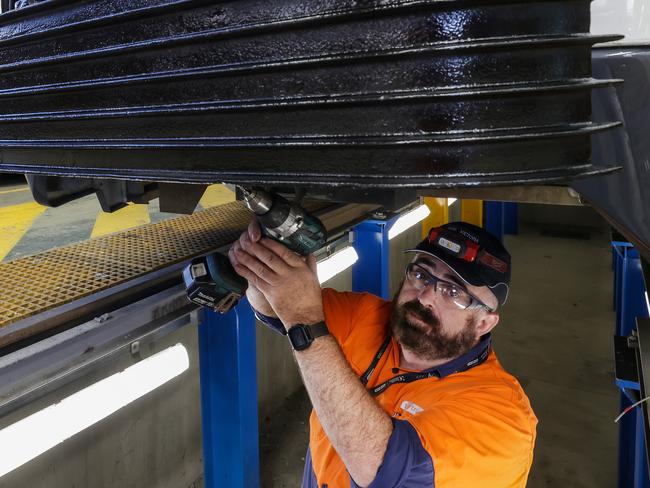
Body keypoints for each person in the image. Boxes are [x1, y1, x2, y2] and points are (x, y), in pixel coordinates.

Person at [228, 219, 537, 488]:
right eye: (422, 274)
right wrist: (262, 263)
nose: (426, 296)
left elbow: (381, 469)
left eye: (453, 292)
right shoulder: (367, 315)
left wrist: (305, 323)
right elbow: (276, 306)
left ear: (484, 322)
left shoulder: (504, 417)